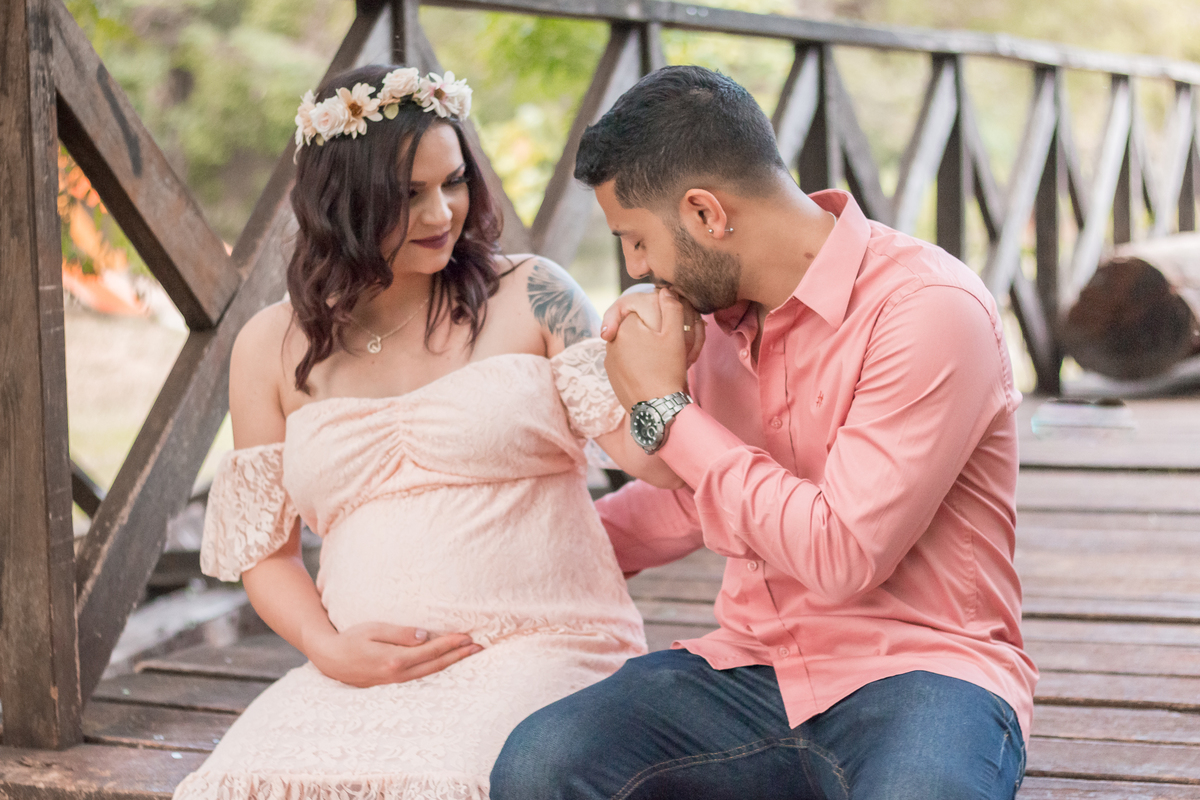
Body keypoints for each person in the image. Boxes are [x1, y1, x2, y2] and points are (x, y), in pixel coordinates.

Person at [489, 65, 1038, 800]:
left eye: (636, 239)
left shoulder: (928, 309)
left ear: (705, 213)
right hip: (749, 668)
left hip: (924, 674)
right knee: (540, 763)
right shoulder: (713, 318)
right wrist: (526, 566)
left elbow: (843, 553)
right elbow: (694, 497)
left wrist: (664, 408)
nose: (635, 268)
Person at [173, 63, 694, 800]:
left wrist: (665, 369)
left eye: (453, 182)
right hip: (357, 671)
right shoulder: (270, 345)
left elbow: (654, 461)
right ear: (340, 205)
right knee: (238, 785)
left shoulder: (534, 292)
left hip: (541, 643)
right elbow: (265, 553)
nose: (441, 212)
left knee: (458, 781)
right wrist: (329, 648)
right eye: (407, 195)